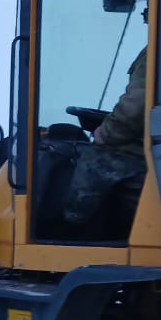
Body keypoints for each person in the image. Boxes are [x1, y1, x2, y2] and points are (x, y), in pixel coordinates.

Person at [61, 44, 148, 240]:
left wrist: (106, 132)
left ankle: (72, 232)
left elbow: (137, 105)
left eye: (147, 12)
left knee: (98, 159)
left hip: (159, 150)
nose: (145, 15)